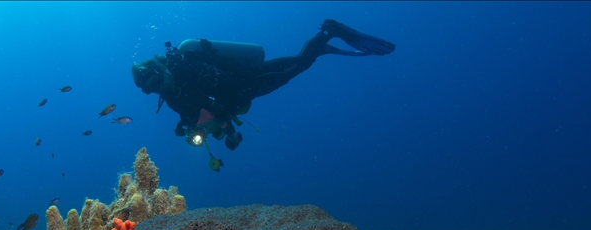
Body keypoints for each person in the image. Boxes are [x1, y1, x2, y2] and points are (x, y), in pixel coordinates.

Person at [132, 19, 395, 154]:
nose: (156, 89)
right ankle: (319, 48)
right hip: (246, 92)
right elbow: (197, 114)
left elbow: (219, 88)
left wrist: (219, 112)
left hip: (249, 79)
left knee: (298, 64)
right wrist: (198, 130)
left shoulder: (186, 69)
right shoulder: (172, 95)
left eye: (154, 82)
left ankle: (328, 31)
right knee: (298, 65)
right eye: (150, 89)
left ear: (159, 71)